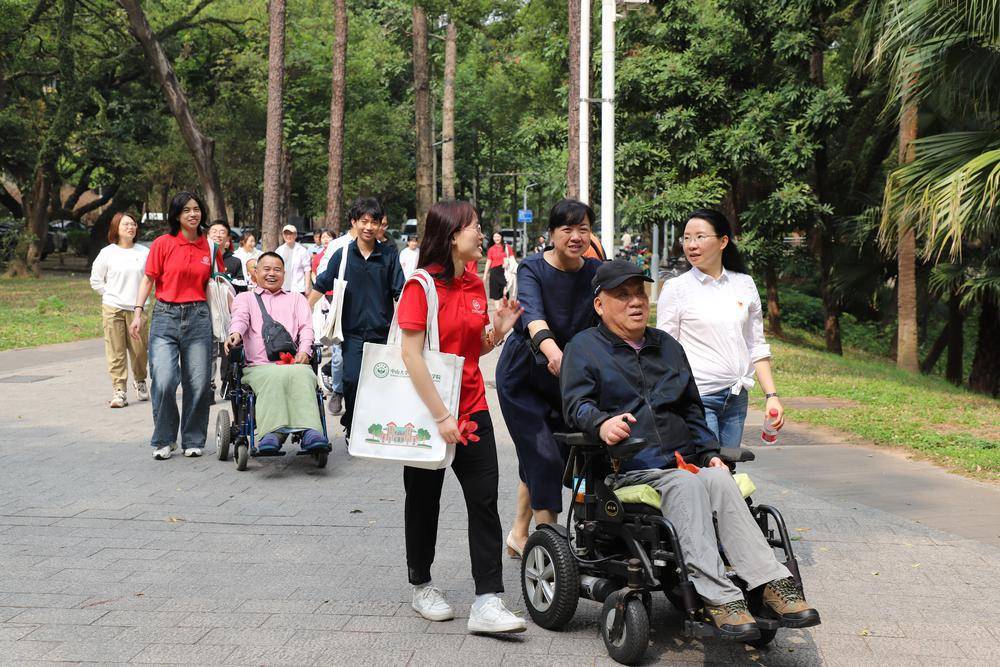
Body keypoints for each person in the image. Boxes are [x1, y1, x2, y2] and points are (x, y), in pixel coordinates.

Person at [561, 260, 820, 639]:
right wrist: (602, 423)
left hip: (681, 462)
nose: (635, 302)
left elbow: (691, 409)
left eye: (639, 293)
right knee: (686, 485)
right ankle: (719, 597)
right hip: (626, 466)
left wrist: (708, 452)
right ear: (600, 304)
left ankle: (772, 582)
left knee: (717, 476)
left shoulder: (666, 346)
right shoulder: (584, 347)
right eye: (623, 295)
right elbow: (576, 405)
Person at [396, 200, 526, 634]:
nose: (482, 233)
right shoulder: (420, 286)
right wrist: (440, 416)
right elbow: (411, 355)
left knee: (484, 501)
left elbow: (472, 350)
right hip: (431, 414)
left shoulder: (474, 285)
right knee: (423, 503)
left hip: (473, 410)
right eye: (475, 226)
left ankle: (487, 600)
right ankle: (422, 585)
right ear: (453, 235)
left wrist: (500, 331)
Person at [496, 199, 602, 557]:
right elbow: (534, 316)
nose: (575, 236)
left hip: (564, 380)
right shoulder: (532, 268)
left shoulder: (595, 273)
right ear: (552, 233)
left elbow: (608, 319)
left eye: (583, 229)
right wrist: (553, 351)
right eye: (567, 229)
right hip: (523, 375)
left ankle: (518, 534)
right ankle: (552, 548)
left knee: (547, 453)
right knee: (543, 455)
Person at [657, 209, 783, 447]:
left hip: (736, 398)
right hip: (699, 398)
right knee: (711, 471)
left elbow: (756, 344)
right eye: (686, 238)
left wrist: (772, 396)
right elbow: (666, 349)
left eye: (700, 237)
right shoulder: (676, 288)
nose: (691, 245)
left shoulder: (743, 284)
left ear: (723, 241)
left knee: (729, 470)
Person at [128, 192, 225, 460]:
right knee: (164, 379)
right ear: (176, 216)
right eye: (186, 211)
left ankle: (193, 439)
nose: (193, 214)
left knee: (198, 382)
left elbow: (217, 286)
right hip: (165, 316)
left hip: (198, 317)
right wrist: (138, 313)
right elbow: (148, 280)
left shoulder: (210, 247)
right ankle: (164, 438)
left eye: (196, 209)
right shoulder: (162, 243)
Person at [308, 197, 404, 439]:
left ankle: (373, 429)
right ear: (354, 222)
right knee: (351, 380)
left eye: (374, 222)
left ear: (381, 225)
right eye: (364, 221)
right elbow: (321, 284)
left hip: (381, 332)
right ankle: (352, 423)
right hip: (351, 332)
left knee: (379, 383)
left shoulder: (389, 256)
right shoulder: (342, 255)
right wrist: (298, 313)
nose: (369, 227)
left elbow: (400, 292)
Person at [224, 252, 328, 453]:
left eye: (277, 270)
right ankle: (273, 432)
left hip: (292, 363)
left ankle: (310, 431)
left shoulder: (297, 299)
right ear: (256, 272)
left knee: (304, 374)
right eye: (267, 269)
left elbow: (307, 329)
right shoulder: (245, 298)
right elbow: (240, 318)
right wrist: (235, 333)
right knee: (273, 375)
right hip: (259, 366)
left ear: (284, 273)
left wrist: (305, 350)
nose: (272, 273)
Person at [89, 211, 150, 408]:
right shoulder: (107, 253)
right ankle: (119, 390)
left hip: (138, 309)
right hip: (113, 308)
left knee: (140, 351)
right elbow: (96, 280)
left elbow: (152, 279)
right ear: (116, 228)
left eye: (133, 224)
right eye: (125, 225)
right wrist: (109, 295)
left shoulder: (144, 252)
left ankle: (140, 380)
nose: (130, 228)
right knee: (115, 352)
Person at [207, 221, 246, 292]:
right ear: (208, 236)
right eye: (214, 231)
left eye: (222, 232)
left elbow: (242, 285)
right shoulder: (202, 258)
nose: (218, 235)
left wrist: (226, 280)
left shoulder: (235, 261)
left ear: (228, 238)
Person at [276, 224, 312, 295]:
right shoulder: (279, 250)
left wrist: (307, 287)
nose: (288, 236)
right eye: (286, 234)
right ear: (283, 235)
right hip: (282, 288)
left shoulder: (302, 250)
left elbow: (307, 269)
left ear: (295, 235)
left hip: (298, 288)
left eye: (291, 234)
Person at [483, 233, 513, 310]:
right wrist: (485, 274)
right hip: (494, 272)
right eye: (494, 237)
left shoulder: (507, 247)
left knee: (505, 292)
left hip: (505, 271)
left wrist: (508, 263)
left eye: (498, 236)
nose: (496, 238)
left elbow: (512, 259)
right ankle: (498, 310)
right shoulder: (491, 249)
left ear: (501, 237)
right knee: (495, 292)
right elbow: (488, 261)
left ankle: (504, 307)